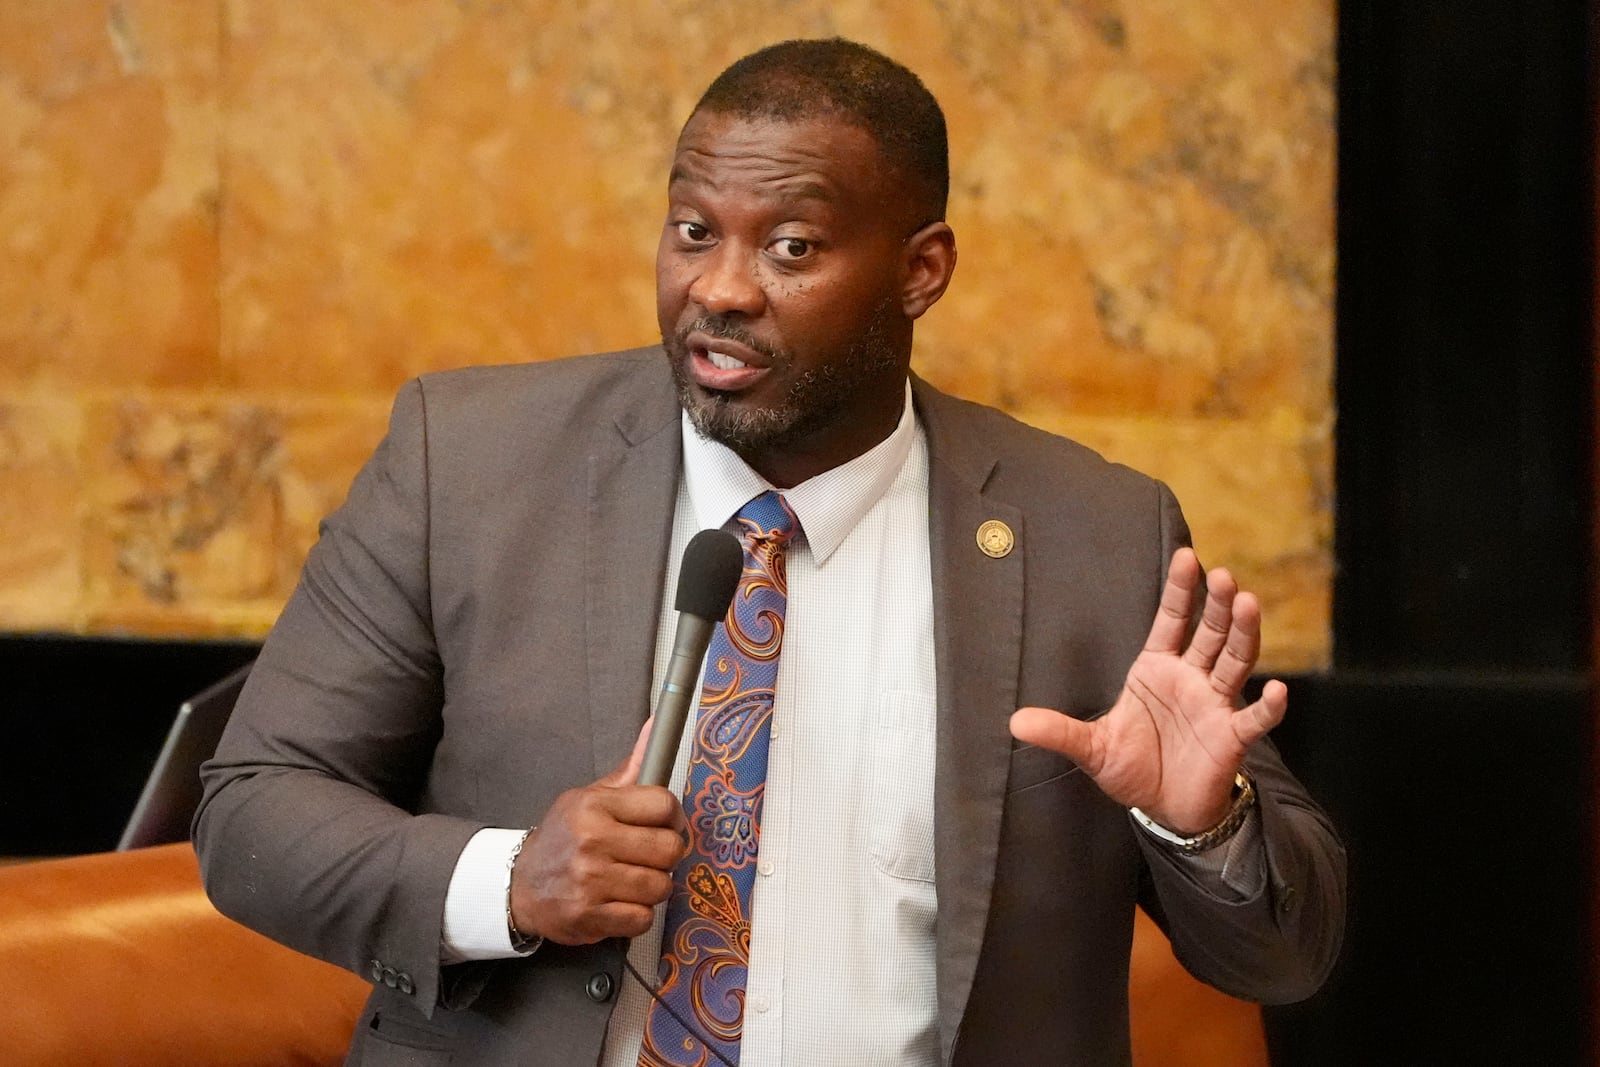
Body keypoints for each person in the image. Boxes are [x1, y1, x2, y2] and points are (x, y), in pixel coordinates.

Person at [196, 37, 1344, 1067]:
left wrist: (1201, 824)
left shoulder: (1093, 535)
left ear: (920, 270)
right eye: (695, 231)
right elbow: (254, 809)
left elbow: (1284, 958)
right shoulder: (472, 466)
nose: (720, 288)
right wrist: (510, 879)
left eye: (789, 246)